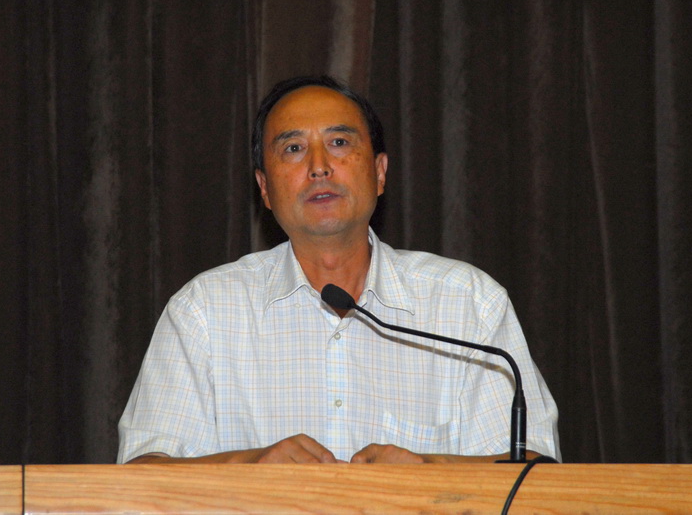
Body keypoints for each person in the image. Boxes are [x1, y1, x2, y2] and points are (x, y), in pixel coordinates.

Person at [117, 75, 560, 464]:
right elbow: (141, 479)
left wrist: (429, 472)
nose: (319, 167)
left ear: (380, 172)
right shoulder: (205, 311)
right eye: (293, 148)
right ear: (264, 188)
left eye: (340, 143)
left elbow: (536, 474)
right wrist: (250, 468)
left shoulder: (467, 303)